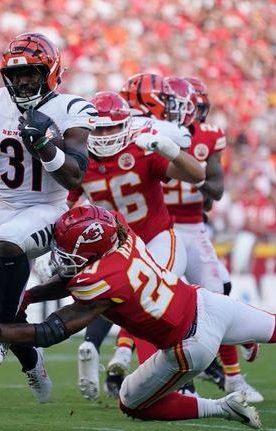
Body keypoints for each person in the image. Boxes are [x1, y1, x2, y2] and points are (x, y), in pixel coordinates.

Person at [0, 205, 276, 427]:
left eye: (70, 250)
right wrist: (35, 290)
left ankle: (222, 406)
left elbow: (50, 332)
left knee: (131, 404)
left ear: (88, 251)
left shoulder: (98, 282)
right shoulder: (122, 236)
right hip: (206, 303)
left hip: (188, 344)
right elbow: (71, 284)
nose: (62, 255)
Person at [0, 32, 95, 403]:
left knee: (10, 240)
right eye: (16, 75)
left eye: (31, 73)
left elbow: (75, 175)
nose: (23, 81)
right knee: (3, 307)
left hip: (49, 207)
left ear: (51, 71)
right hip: (4, 206)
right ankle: (34, 368)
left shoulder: (72, 108)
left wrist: (44, 145)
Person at [68, 89, 204, 400]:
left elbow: (197, 174)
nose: (104, 136)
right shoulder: (82, 160)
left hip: (157, 240)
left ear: (126, 126)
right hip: (121, 251)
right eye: (98, 129)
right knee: (129, 308)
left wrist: (168, 149)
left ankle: (169, 382)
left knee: (153, 306)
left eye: (112, 128)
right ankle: (162, 381)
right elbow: (65, 208)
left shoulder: (142, 149)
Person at [159, 75, 262, 401]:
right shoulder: (148, 133)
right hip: (158, 228)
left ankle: (232, 378)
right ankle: (168, 375)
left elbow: (216, 190)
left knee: (217, 296)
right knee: (161, 302)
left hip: (191, 226)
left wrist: (191, 170)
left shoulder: (208, 136)